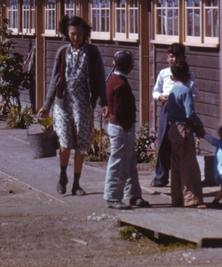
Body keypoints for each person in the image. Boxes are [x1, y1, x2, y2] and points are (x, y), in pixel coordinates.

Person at [38, 16, 108, 196]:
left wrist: (104, 102)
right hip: (63, 104)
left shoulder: (92, 52)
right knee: (64, 143)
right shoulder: (62, 52)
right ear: (66, 34)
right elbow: (54, 79)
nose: (76, 37)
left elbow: (100, 78)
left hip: (83, 105)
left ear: (85, 34)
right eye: (72, 34)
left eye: (79, 34)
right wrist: (47, 105)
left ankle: (76, 183)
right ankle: (62, 177)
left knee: (81, 145)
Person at [103, 51, 150, 210]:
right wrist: (128, 126)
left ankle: (134, 195)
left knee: (130, 162)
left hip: (118, 126)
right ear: (131, 67)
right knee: (117, 162)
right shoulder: (121, 84)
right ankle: (112, 197)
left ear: (114, 64)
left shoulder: (112, 80)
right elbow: (121, 110)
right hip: (122, 128)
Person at [150, 43, 199, 188]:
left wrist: (186, 96)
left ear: (184, 57)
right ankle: (160, 178)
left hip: (182, 111)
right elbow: (155, 91)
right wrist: (160, 97)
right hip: (166, 109)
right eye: (172, 57)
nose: (174, 60)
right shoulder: (164, 73)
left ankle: (181, 179)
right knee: (163, 142)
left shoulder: (189, 74)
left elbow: (195, 93)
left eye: (178, 57)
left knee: (182, 143)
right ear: (167, 58)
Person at [166, 60, 206, 208]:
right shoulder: (186, 91)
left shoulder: (172, 91)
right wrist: (199, 125)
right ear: (188, 75)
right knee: (188, 165)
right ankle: (191, 199)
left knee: (176, 165)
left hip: (172, 129)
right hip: (184, 129)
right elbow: (190, 113)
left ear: (172, 76)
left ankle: (177, 198)